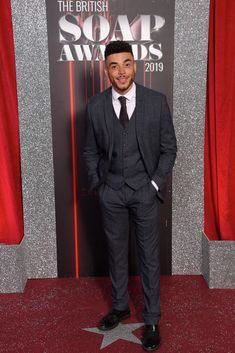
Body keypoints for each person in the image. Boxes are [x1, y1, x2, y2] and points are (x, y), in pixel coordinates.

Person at [83, 40, 177, 351]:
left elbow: (169, 148)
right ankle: (120, 306)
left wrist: (153, 185)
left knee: (149, 258)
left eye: (126, 64)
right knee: (116, 253)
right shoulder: (96, 106)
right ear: (106, 70)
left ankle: (151, 319)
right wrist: (99, 185)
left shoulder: (155, 101)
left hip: (145, 192)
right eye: (114, 65)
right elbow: (89, 150)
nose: (121, 71)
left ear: (135, 66)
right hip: (112, 193)